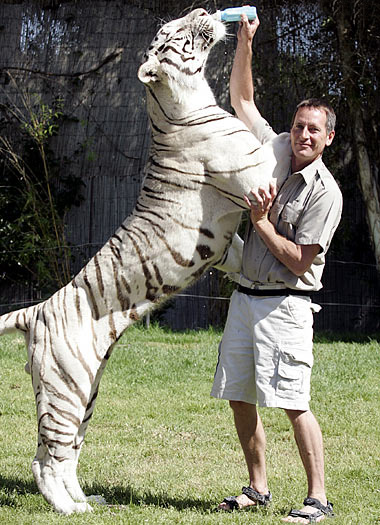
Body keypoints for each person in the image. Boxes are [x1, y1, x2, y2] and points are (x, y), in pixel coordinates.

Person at [211, 12, 342, 524]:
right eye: (297, 125)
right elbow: (242, 100)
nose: (302, 135)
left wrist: (260, 223)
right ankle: (257, 487)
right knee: (239, 396)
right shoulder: (277, 149)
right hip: (245, 297)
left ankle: (318, 499)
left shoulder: (325, 193)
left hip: (287, 306)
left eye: (313, 130)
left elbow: (297, 260)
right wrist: (245, 42)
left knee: (293, 403)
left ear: (329, 137)